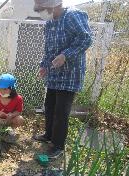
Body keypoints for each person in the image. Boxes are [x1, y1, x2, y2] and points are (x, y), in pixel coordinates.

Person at [32, 0, 92, 158]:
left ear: (53, 4)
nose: (41, 13)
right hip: (54, 73)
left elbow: (86, 39)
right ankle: (49, 135)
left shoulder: (72, 16)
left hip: (70, 74)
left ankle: (58, 145)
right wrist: (44, 65)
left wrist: (66, 55)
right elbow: (48, 48)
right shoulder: (50, 23)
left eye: (42, 9)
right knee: (49, 106)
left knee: (61, 111)